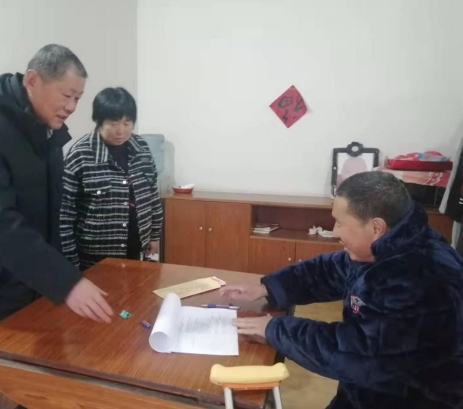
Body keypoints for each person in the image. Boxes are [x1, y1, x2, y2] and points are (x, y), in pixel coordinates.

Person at [0, 44, 113, 409]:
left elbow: (50, 219)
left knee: (27, 392)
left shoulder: (45, 132)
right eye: (66, 95)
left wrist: (62, 277)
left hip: (25, 292)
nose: (72, 106)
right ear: (32, 81)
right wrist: (65, 282)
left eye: (78, 98)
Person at [221, 171, 463, 409]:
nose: (335, 232)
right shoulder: (391, 243)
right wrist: (266, 287)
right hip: (364, 392)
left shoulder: (424, 278)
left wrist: (276, 329)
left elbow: (361, 353)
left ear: (376, 227)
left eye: (340, 223)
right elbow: (329, 270)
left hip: (411, 398)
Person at [60, 87, 163, 270]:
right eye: (114, 123)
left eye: (127, 123)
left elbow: (153, 195)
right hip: (95, 260)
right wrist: (71, 264)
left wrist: (154, 235)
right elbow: (65, 215)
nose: (121, 131)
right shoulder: (80, 154)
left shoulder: (142, 149)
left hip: (137, 249)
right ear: (99, 121)